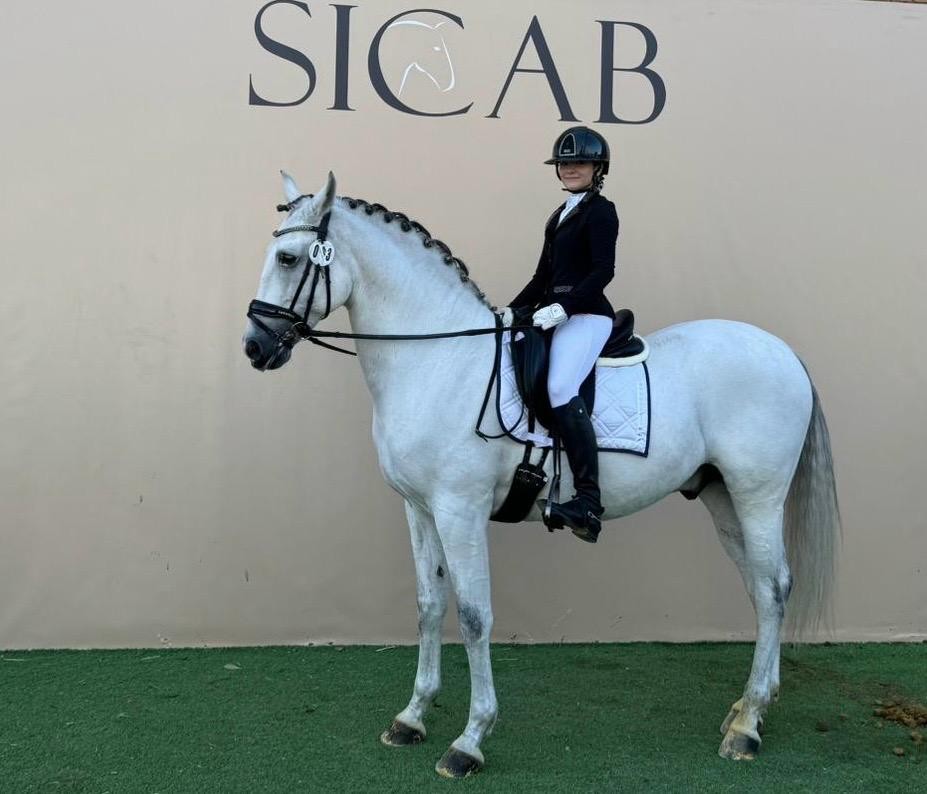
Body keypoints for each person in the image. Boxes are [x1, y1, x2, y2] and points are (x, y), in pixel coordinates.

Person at [500, 126, 619, 543]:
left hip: (586, 316)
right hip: (554, 314)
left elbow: (603, 270)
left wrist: (564, 307)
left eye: (579, 163)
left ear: (597, 168)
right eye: (565, 163)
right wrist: (509, 312)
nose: (570, 169)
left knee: (560, 386)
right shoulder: (560, 214)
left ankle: (588, 502)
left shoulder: (601, 211)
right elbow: (541, 277)